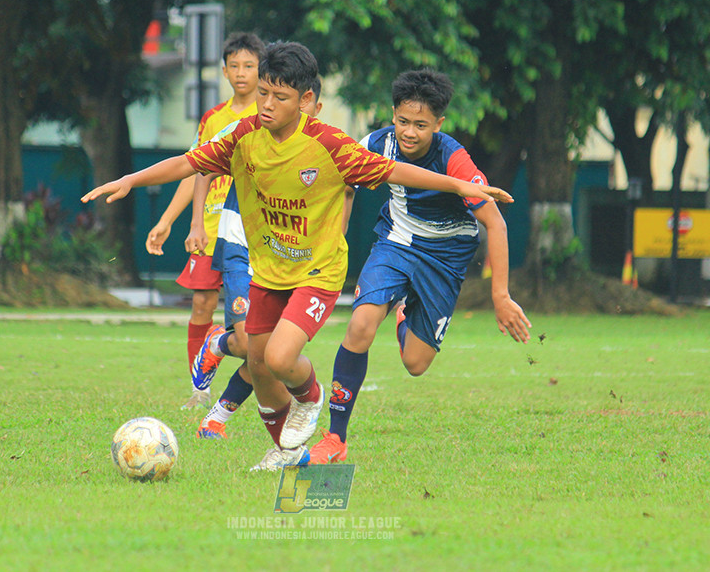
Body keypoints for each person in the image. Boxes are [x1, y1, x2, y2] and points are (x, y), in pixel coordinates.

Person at [81, 42, 514, 471]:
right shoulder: (242, 136)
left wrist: (458, 186)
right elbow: (188, 163)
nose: (266, 104)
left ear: (307, 101)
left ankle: (311, 399)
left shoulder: (329, 144)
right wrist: (130, 179)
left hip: (319, 270)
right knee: (259, 363)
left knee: (281, 358)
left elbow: (391, 170)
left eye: (279, 97)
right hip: (269, 269)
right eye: (264, 93)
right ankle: (286, 451)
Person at [308, 68, 532, 465]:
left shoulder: (452, 156)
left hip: (446, 257)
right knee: (360, 326)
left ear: (439, 124)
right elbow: (343, 182)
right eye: (403, 122)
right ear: (393, 114)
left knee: (415, 364)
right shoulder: (375, 143)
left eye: (421, 125)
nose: (410, 132)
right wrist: (336, 237)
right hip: (397, 242)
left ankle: (404, 314)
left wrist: (501, 296)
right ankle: (335, 438)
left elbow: (494, 222)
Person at [191, 79, 324, 440]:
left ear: (312, 107)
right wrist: (195, 222)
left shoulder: (320, 150)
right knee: (256, 349)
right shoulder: (251, 135)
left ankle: (216, 414)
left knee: (268, 356)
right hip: (241, 244)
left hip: (289, 260)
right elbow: (198, 164)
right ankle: (221, 347)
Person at [143, 32, 265, 409]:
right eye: (235, 66)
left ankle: (255, 374)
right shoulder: (214, 119)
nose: (242, 73)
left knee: (252, 315)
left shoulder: (269, 113)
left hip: (254, 228)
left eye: (249, 66)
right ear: (224, 71)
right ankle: (199, 390)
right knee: (200, 302)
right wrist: (173, 221)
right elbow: (195, 170)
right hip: (213, 224)